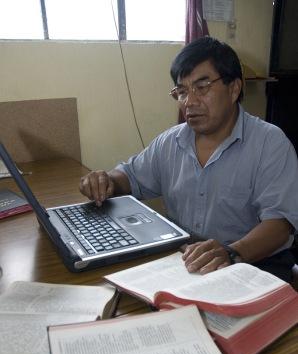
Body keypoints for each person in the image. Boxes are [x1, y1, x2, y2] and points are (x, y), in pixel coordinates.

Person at [79, 36, 298, 282]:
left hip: (253, 264)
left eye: (202, 87)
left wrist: (232, 253)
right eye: (181, 92)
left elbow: (281, 224)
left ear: (234, 88)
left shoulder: (270, 143)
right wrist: (106, 180)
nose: (189, 102)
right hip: (186, 262)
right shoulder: (170, 142)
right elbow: (129, 177)